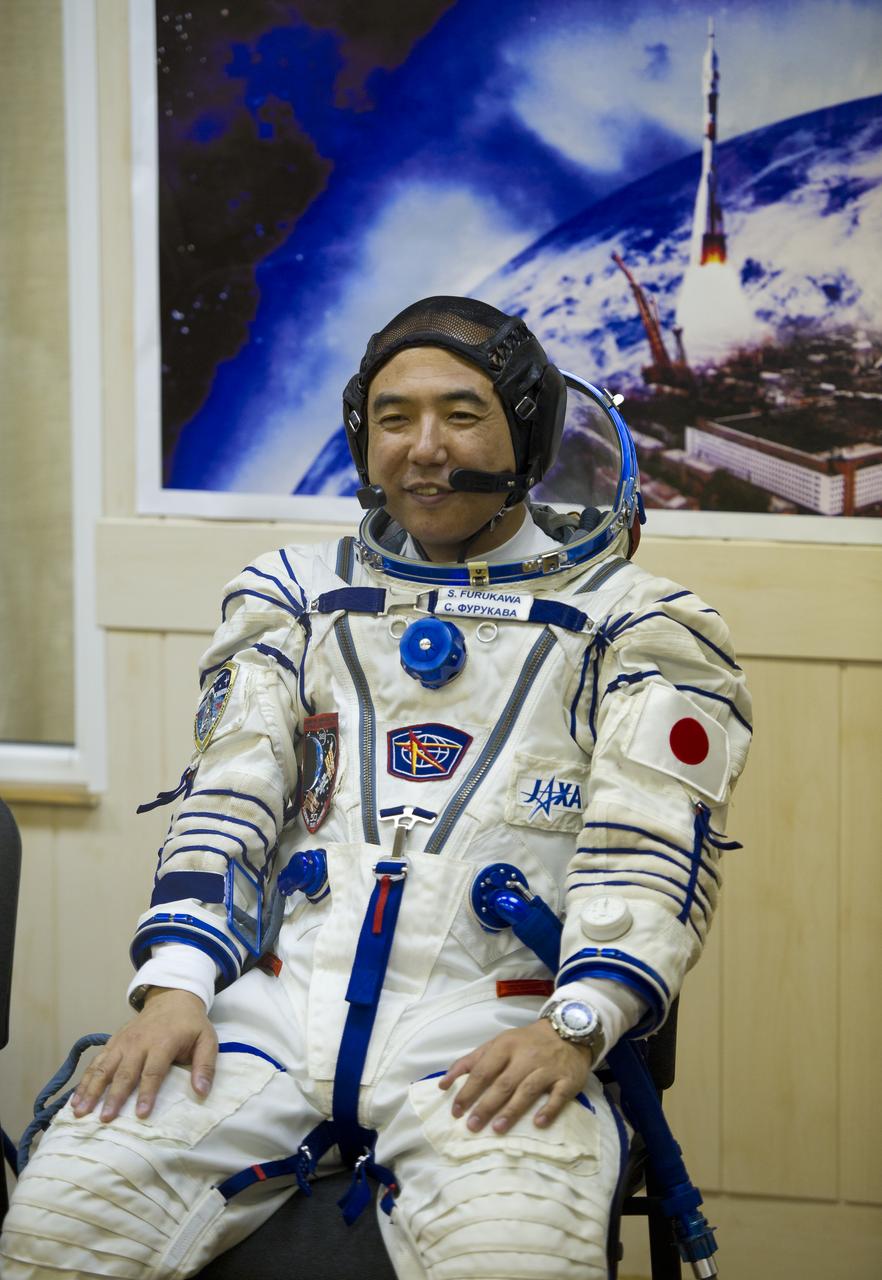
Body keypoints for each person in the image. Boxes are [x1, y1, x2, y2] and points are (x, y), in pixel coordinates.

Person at [0, 297, 752, 1280]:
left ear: (525, 430)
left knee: (514, 1259)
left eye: (462, 414)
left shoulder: (637, 623)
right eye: (394, 419)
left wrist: (580, 1020)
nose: (425, 448)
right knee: (59, 1229)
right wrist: (176, 984)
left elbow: (649, 850)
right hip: (269, 1020)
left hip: (490, 1028)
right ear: (363, 437)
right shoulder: (295, 597)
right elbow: (225, 800)